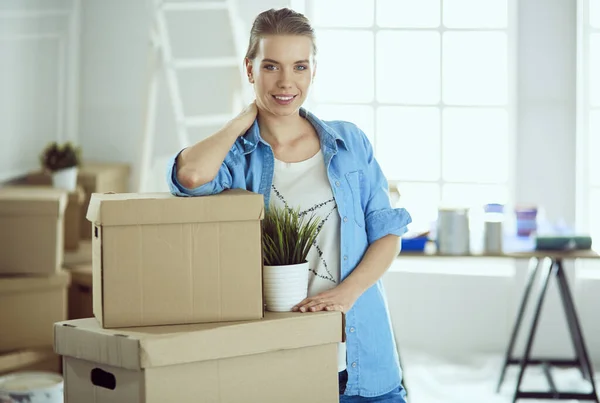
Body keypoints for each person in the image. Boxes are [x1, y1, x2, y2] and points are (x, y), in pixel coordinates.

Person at [166, 7, 412, 403]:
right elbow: (191, 177)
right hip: (277, 355)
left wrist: (347, 293)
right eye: (270, 66)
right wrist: (243, 119)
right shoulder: (237, 158)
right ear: (249, 70)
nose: (286, 81)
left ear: (313, 70)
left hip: (360, 357)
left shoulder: (349, 144)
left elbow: (388, 234)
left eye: (299, 66)